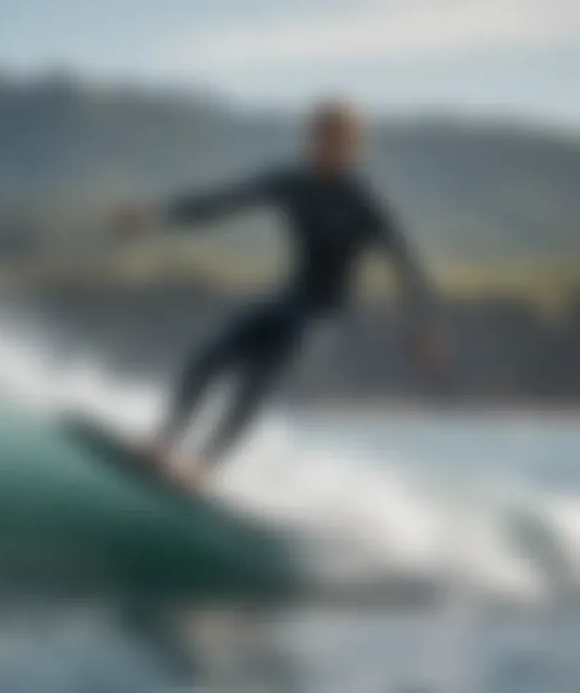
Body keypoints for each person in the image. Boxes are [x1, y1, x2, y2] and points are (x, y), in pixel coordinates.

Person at [112, 100, 445, 486]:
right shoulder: (294, 183)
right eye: (320, 138)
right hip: (288, 299)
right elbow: (222, 202)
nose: (326, 147)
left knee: (257, 377)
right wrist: (158, 214)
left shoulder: (364, 203)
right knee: (208, 357)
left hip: (324, 317)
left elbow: (406, 266)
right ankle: (163, 442)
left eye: (338, 141)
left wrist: (424, 327)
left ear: (354, 145)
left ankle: (204, 466)